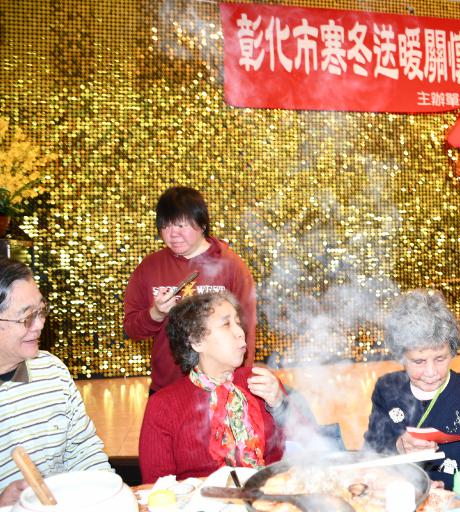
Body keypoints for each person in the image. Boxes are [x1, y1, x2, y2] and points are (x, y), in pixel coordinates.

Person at [363, 290, 460, 501]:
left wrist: (450, 491)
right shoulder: (387, 389)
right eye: (419, 361)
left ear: (453, 352)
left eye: (440, 359)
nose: (431, 372)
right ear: (400, 356)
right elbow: (370, 455)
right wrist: (397, 447)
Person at [138, 292, 285, 484]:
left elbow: (306, 443)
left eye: (238, 322)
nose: (240, 332)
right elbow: (157, 487)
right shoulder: (164, 405)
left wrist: (280, 405)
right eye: (226, 324)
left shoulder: (259, 381)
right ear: (197, 341)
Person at [124, 186, 257, 393]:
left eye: (181, 225)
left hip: (220, 389)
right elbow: (132, 329)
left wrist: (241, 384)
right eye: (166, 226)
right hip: (166, 389)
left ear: (202, 224)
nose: (173, 234)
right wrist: (156, 314)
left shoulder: (230, 265)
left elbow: (247, 329)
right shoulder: (149, 267)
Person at [0, 259, 111, 505]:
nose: (40, 325)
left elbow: (83, 450)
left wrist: (107, 496)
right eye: (27, 317)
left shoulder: (52, 369)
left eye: (41, 311)